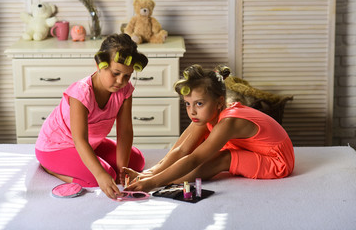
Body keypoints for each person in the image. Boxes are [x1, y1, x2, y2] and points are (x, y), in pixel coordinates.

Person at [124, 64, 295, 193]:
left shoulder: (228, 123)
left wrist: (153, 183)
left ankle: (165, 179)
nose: (192, 111)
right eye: (187, 104)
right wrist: (149, 173)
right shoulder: (204, 115)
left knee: (223, 158)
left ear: (219, 102)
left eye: (199, 103)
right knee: (202, 155)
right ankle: (155, 177)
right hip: (255, 148)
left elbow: (194, 159)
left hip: (276, 159)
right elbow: (181, 149)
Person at [35, 33, 148, 199]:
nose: (120, 81)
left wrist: (122, 170)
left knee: (137, 161)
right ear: (99, 65)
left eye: (127, 75)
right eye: (116, 73)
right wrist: (101, 174)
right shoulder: (80, 93)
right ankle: (50, 168)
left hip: (91, 143)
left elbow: (125, 131)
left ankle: (102, 167)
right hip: (56, 146)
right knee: (101, 177)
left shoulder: (124, 90)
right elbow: (79, 139)